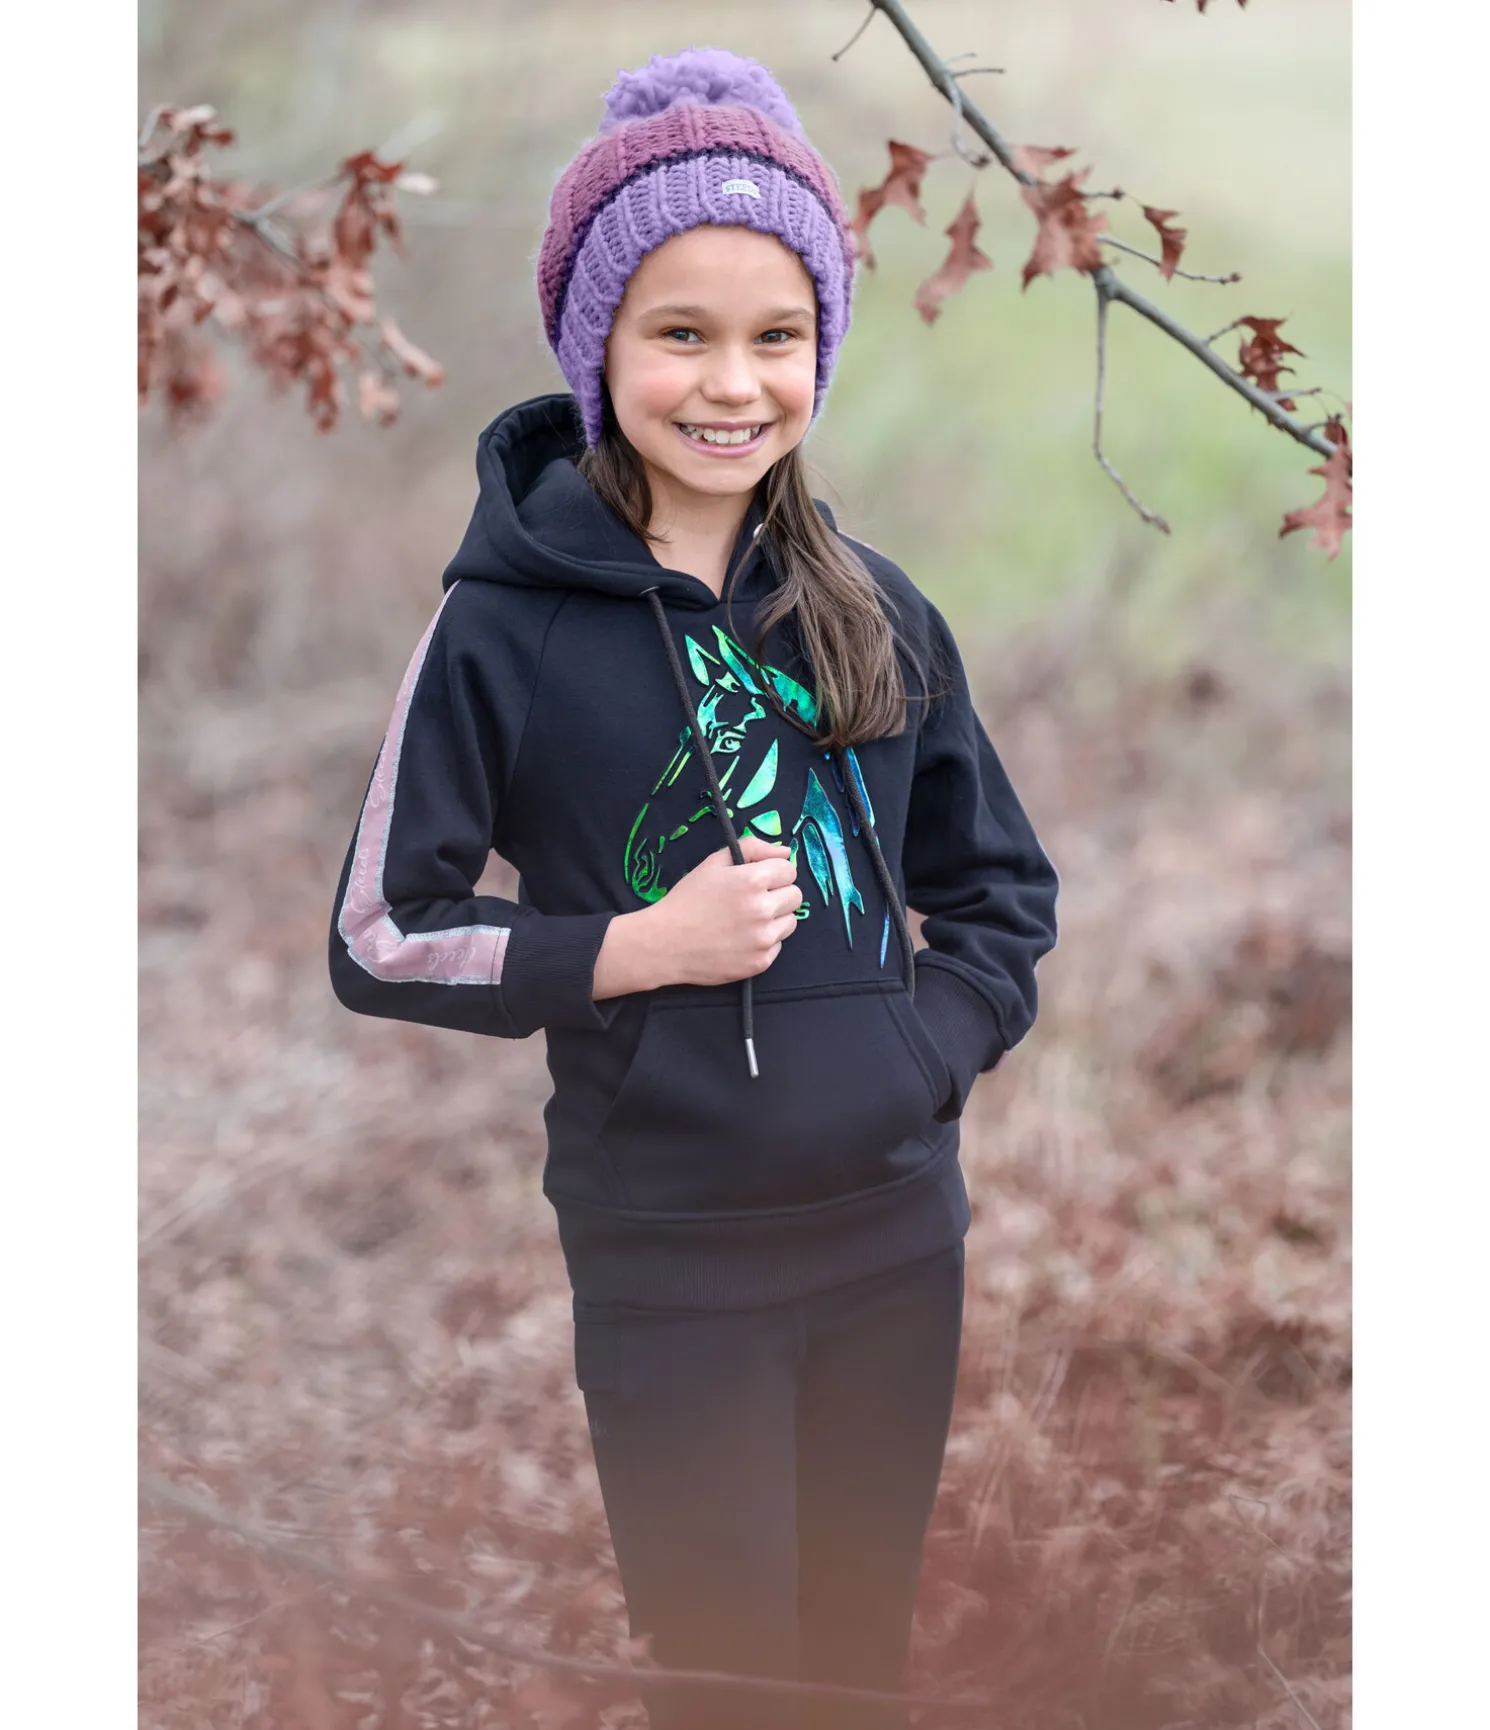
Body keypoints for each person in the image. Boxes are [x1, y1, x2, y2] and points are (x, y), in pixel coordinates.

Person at [328, 47, 1059, 1730]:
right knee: (729, 1682)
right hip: (672, 1261)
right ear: (597, 347)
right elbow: (379, 927)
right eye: (680, 333)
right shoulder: (502, 624)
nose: (732, 383)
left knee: (856, 1669)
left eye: (775, 336)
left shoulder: (874, 607)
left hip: (896, 1238)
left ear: (821, 351)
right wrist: (634, 950)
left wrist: (922, 1051)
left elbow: (999, 892)